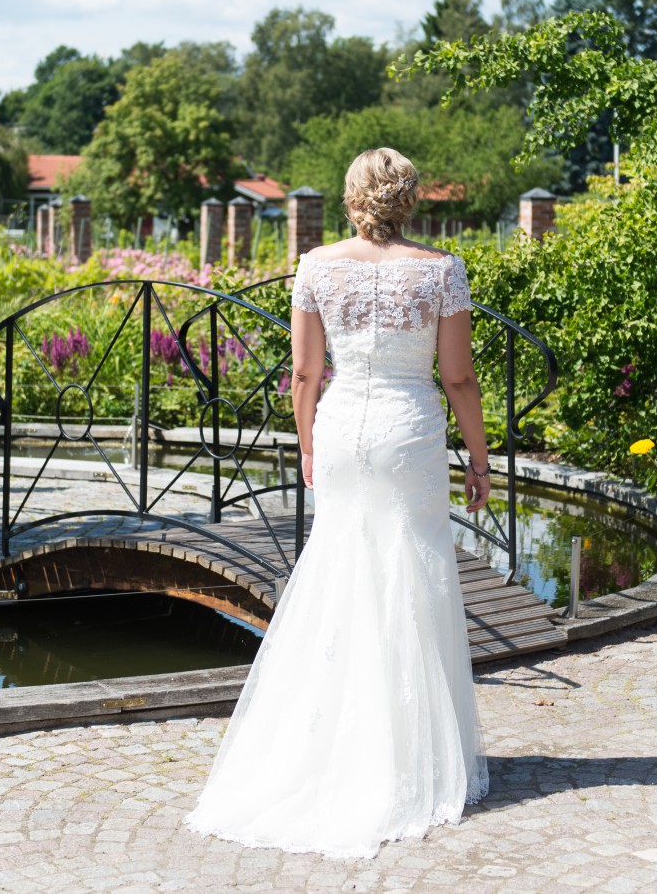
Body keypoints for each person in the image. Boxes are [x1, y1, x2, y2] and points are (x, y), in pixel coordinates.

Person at [185, 147, 493, 859]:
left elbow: (303, 370)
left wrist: (307, 445)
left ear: (353, 198)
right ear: (409, 197)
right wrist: (479, 457)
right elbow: (460, 376)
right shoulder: (442, 270)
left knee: (338, 575)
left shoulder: (317, 265)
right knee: (410, 577)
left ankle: (323, 746)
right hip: (408, 430)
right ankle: (410, 758)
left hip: (343, 426)